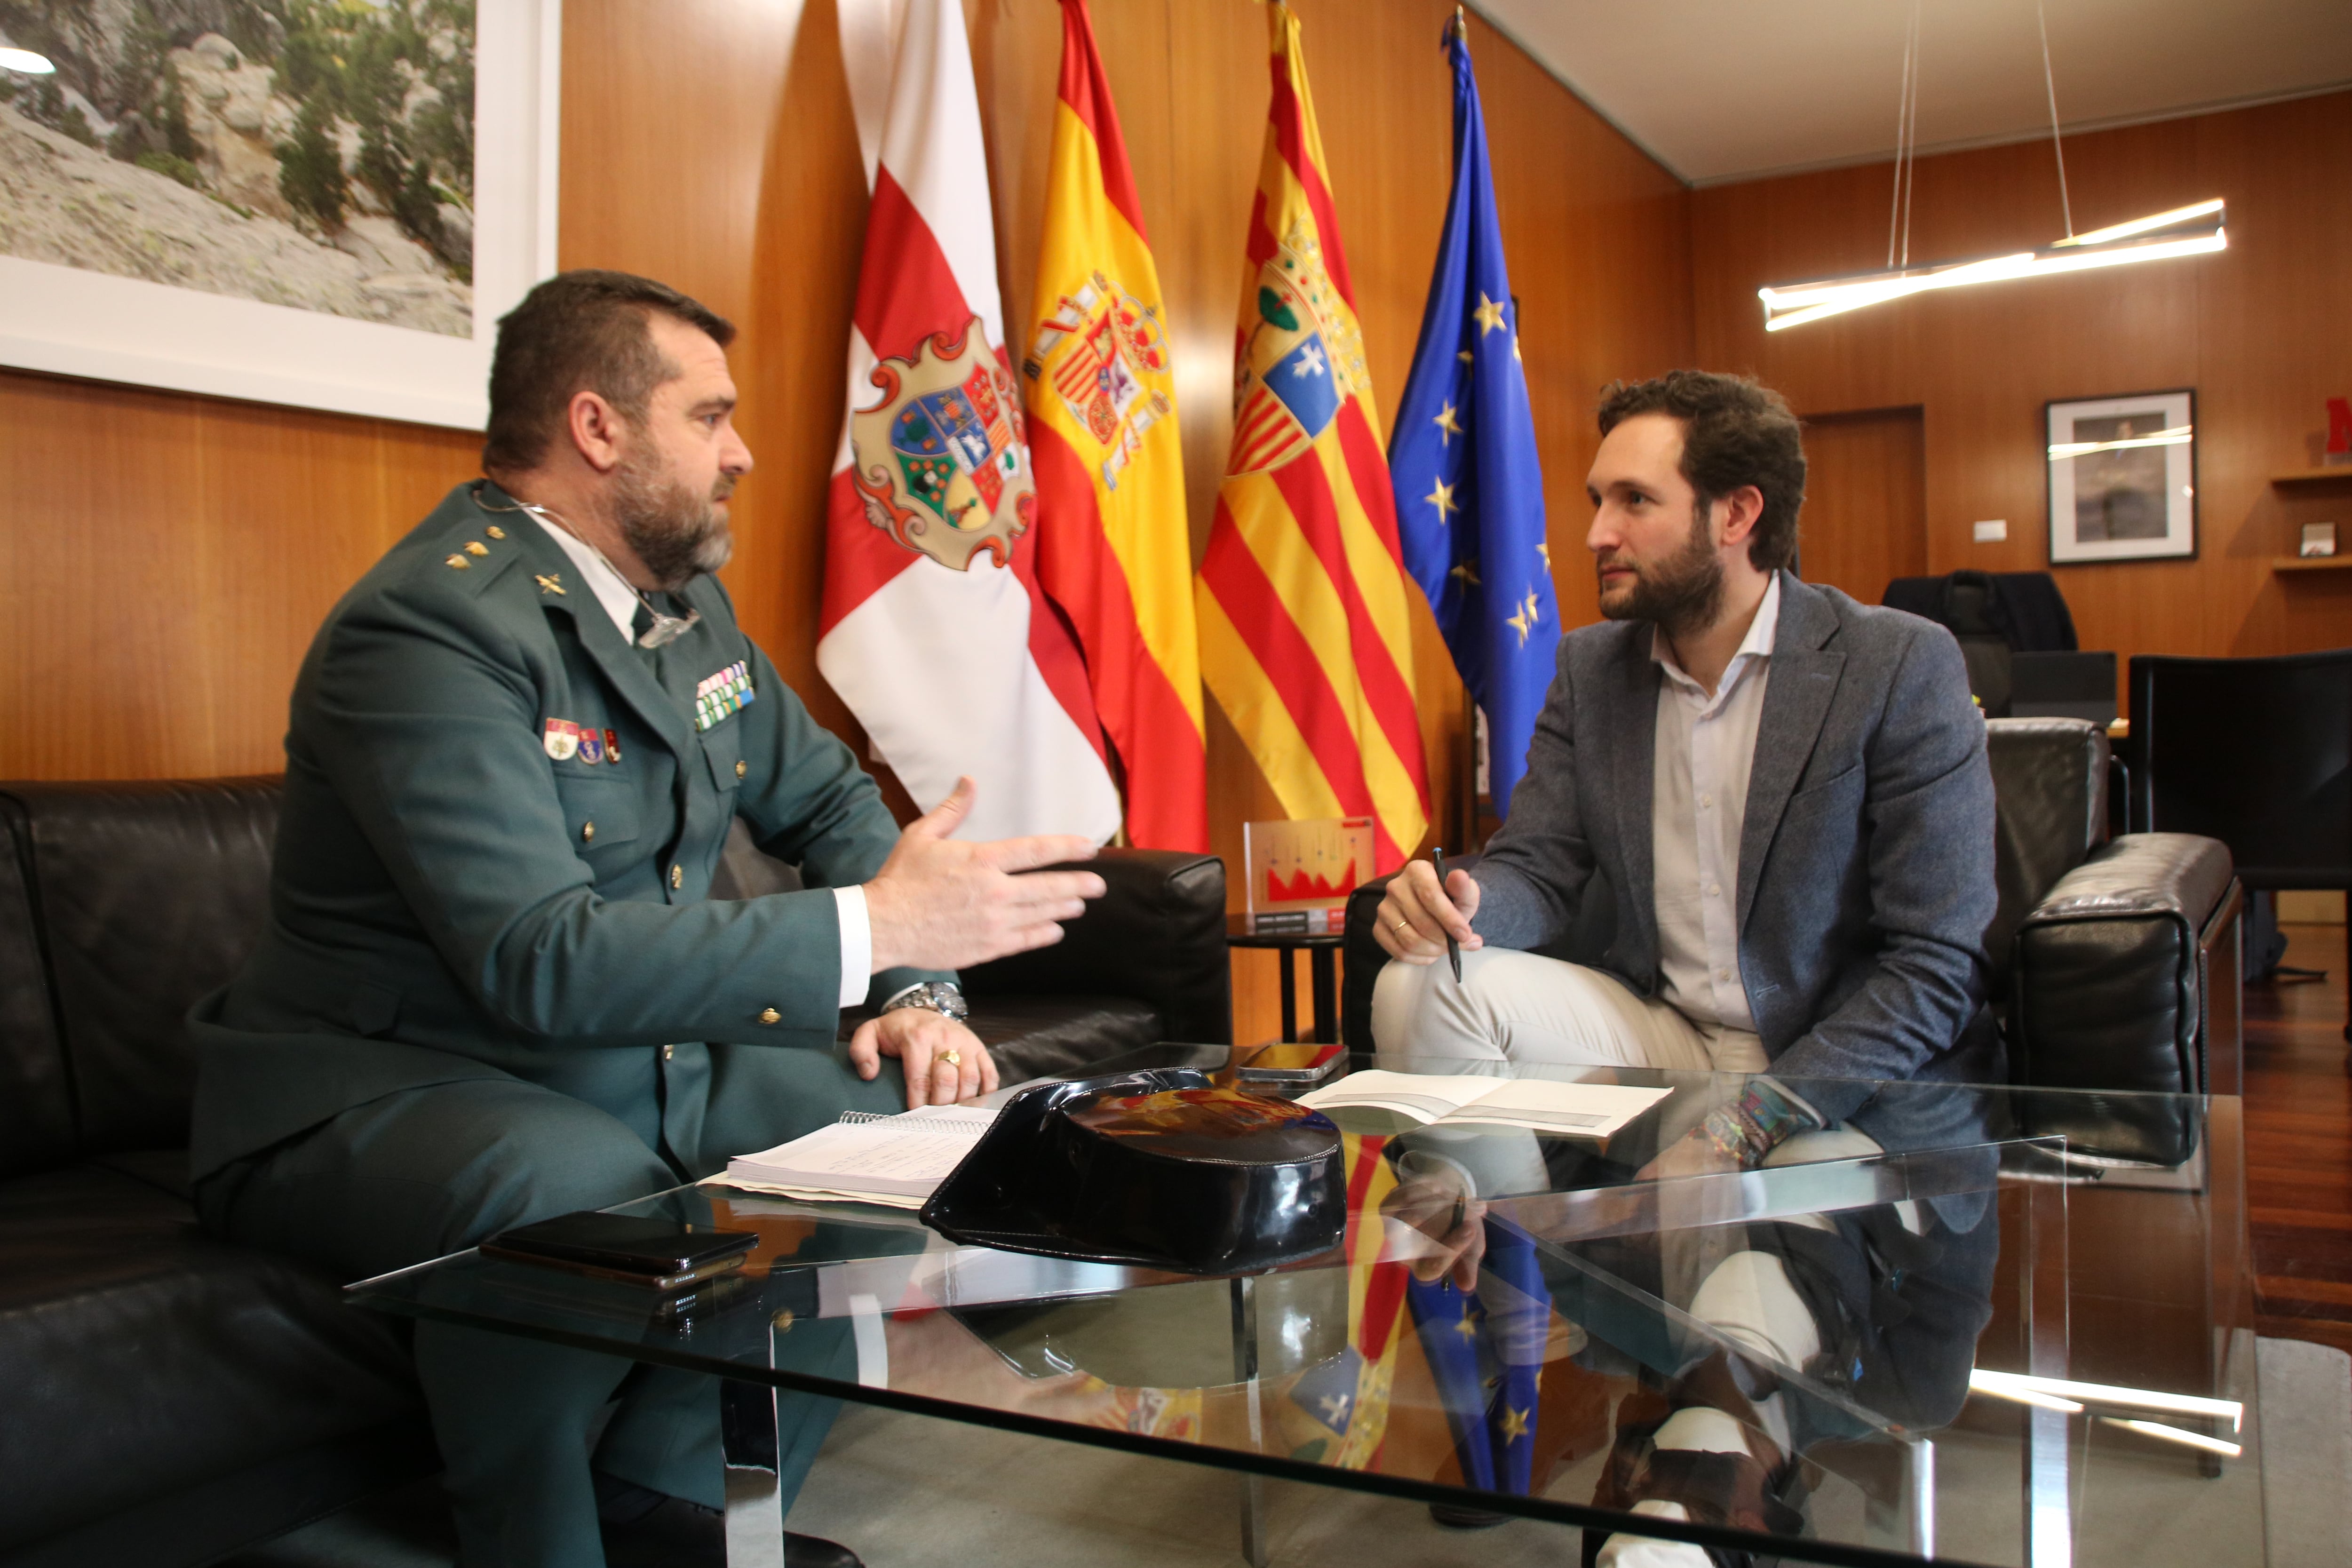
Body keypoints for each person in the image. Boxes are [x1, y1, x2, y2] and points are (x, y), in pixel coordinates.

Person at [189, 270, 1107, 1568]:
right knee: (570, 1182)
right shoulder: (429, 627)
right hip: (394, 1076)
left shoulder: (685, 611)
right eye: (712, 416)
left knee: (872, 1131)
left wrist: (911, 986)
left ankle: (667, 1508)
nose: (742, 453)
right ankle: (537, 1538)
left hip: (609, 1049)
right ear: (598, 428)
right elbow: (536, 957)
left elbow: (833, 801)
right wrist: (872, 923)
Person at [1369, 370, 2002, 1561]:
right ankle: (1519, 1277)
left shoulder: (1894, 664)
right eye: (1596, 498)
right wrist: (1464, 899)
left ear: (1736, 513)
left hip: (1837, 1061)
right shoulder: (1591, 667)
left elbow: (1933, 963)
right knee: (1424, 979)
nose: (1595, 531)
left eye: (1632, 501)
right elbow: (1541, 872)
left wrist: (1751, 1117)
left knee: (1750, 1290)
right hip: (1664, 1031)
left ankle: (1702, 1457)